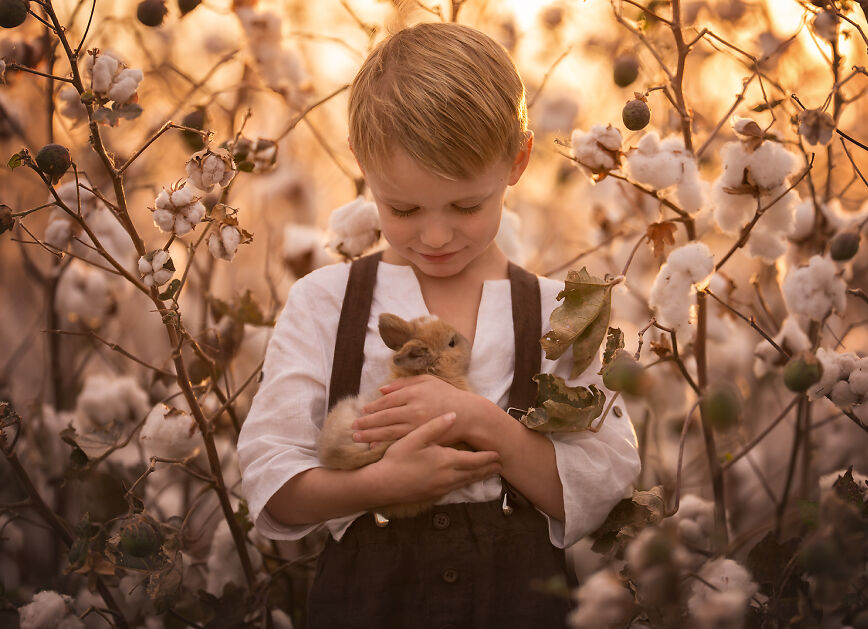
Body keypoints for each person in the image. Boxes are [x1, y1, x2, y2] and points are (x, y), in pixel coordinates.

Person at [237, 21, 640, 628]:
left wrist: (485, 424)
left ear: (518, 160)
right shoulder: (327, 302)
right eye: (402, 208)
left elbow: (603, 488)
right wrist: (380, 485)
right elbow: (273, 479)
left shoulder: (563, 312)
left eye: (465, 206)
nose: (434, 235)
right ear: (362, 166)